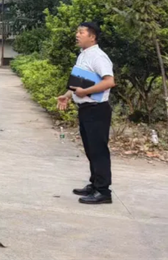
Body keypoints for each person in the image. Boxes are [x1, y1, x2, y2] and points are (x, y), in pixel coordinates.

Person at [57, 22, 116, 205]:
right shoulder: (83, 55)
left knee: (99, 151)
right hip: (85, 110)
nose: (77, 35)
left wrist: (86, 92)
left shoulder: (99, 57)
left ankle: (103, 192)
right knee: (91, 150)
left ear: (92, 37)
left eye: (81, 32)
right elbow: (78, 83)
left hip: (97, 109)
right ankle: (95, 184)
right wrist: (67, 95)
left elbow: (109, 81)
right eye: (77, 32)